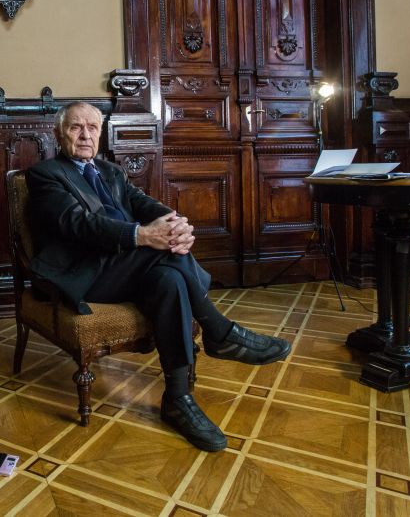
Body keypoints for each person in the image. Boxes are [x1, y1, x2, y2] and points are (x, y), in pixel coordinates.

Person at [25, 101, 290, 451]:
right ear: (59, 133)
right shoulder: (45, 174)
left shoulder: (110, 171)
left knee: (171, 280)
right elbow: (79, 225)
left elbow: (142, 203)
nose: (85, 135)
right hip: (85, 271)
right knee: (162, 251)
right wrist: (142, 235)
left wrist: (176, 225)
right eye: (76, 127)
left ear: (101, 133)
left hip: (129, 265)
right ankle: (219, 331)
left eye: (92, 127)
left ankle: (177, 399)